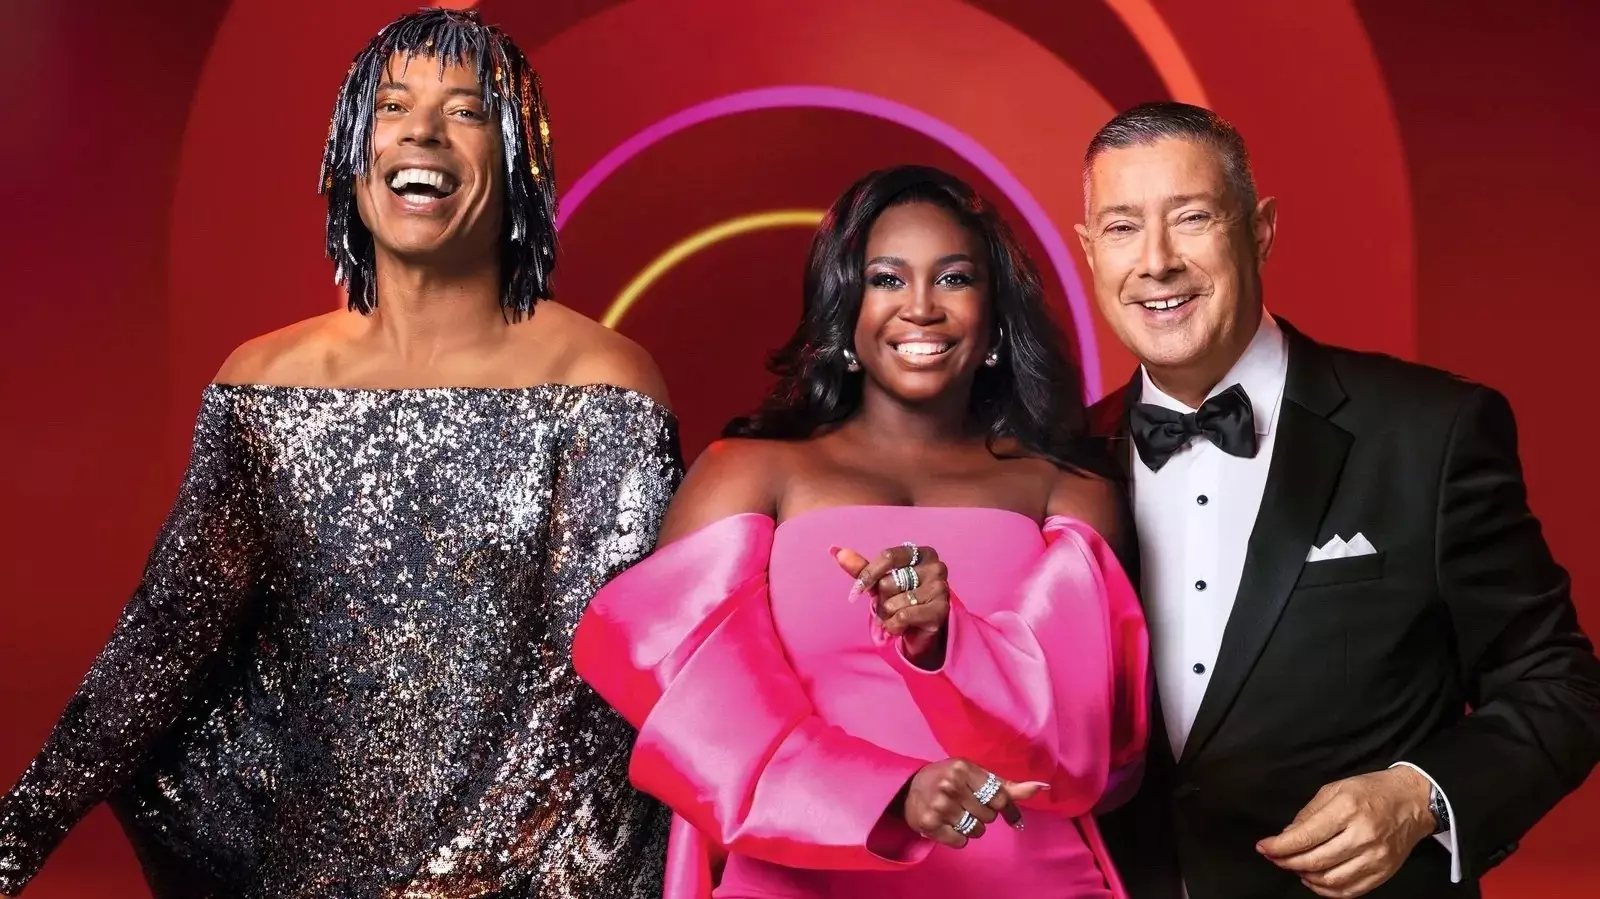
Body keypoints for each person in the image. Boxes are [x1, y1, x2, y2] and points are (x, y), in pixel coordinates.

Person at [0, 9, 678, 898]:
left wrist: (437, 888)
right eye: (392, 105)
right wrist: (15, 838)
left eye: (467, 111)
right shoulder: (264, 383)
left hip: (525, 878)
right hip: (307, 873)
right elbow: (163, 647)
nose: (422, 131)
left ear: (518, 160)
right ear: (352, 153)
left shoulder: (604, 384)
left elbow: (586, 700)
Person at [572, 165, 1150, 899]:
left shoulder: (1067, 489)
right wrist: (892, 794)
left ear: (997, 320)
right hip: (798, 880)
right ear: (845, 310)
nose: (920, 308)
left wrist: (949, 639)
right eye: (886, 279)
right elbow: (698, 723)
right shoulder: (748, 476)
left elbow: (1096, 740)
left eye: (953, 279)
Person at [1079, 101, 1600, 899]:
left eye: (1191, 218)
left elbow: (1561, 683)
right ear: (1088, 251)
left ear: (1260, 230)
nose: (1156, 261)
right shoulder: (1063, 461)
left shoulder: (1433, 430)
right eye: (1121, 228)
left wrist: (1420, 793)